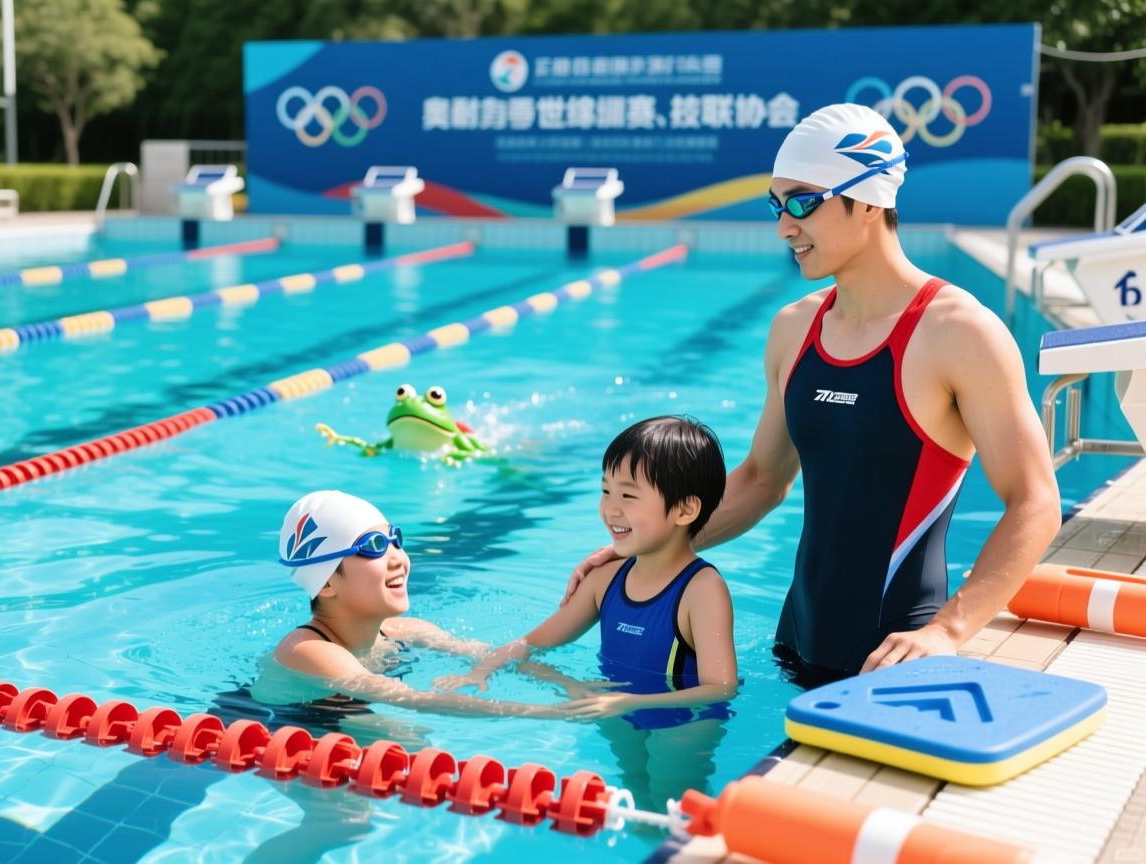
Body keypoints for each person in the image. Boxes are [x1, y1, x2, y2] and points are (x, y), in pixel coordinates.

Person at [565, 103, 1061, 685]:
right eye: (778, 205)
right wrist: (644, 546)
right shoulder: (794, 328)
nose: (784, 226)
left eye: (803, 202)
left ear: (870, 201)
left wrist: (948, 631)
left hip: (894, 654)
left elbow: (1035, 501)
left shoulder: (958, 333)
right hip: (796, 638)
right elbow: (761, 480)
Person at [436, 415, 737, 725]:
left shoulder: (701, 590)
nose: (611, 509)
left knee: (670, 775)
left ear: (684, 510)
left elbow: (720, 688)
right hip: (610, 710)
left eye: (629, 495)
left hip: (684, 723)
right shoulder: (605, 580)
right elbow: (531, 645)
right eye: (606, 491)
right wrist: (482, 670)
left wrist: (628, 702)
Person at [251, 488, 563, 719]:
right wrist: (546, 711)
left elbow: (493, 655)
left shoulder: (403, 630)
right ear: (327, 582)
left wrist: (570, 687)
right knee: (407, 738)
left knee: (406, 740)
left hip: (343, 715)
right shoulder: (310, 650)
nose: (398, 558)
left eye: (394, 540)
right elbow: (416, 699)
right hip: (282, 728)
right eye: (374, 547)